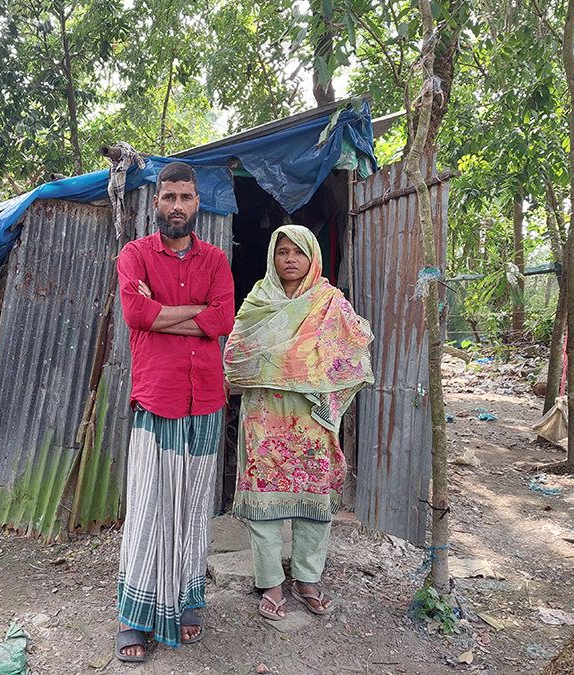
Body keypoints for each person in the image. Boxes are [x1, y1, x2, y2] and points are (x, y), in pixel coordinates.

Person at [112, 161, 235, 662]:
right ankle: (133, 617)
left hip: (204, 399)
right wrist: (194, 315)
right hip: (157, 399)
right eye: (169, 197)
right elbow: (136, 314)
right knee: (147, 508)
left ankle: (185, 603)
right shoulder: (135, 255)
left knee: (192, 508)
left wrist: (164, 316)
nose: (178, 206)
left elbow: (223, 317)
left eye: (186, 197)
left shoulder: (216, 261)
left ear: (197, 202)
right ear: (155, 201)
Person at [223, 224, 374, 620]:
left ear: (313, 257)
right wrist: (288, 361)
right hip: (265, 414)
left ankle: (308, 577)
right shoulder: (259, 298)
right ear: (273, 257)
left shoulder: (329, 302)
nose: (289, 259)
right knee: (263, 499)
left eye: (298, 252)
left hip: (311, 417)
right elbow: (236, 353)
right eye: (282, 252)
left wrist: (301, 362)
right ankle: (271, 581)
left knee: (313, 499)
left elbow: (354, 350)